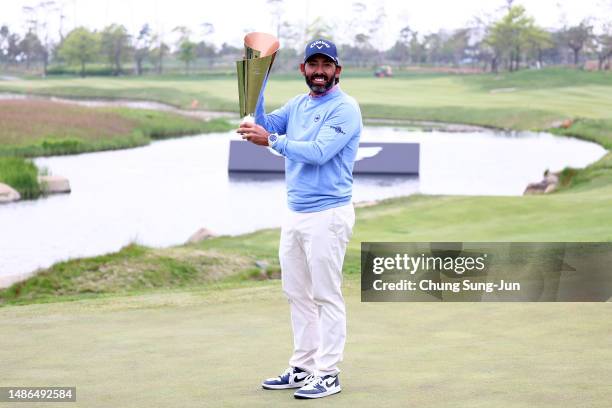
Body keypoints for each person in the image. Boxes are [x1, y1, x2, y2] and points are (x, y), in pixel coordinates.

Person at [237, 38, 362, 400]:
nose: (319, 72)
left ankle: (328, 373)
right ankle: (303, 367)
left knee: (325, 295)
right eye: (313, 65)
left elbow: (319, 153)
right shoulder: (298, 105)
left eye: (326, 66)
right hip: (296, 212)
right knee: (297, 294)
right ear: (303, 69)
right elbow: (260, 124)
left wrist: (271, 140)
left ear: (338, 70)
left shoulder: (345, 108)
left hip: (329, 213)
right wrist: (255, 86)